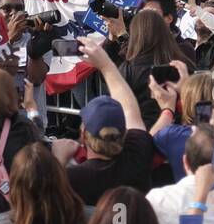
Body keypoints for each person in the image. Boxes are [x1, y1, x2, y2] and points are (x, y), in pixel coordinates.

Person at [54, 35, 154, 205]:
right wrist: (107, 66)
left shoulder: (73, 177)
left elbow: (43, 198)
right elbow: (130, 111)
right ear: (124, 134)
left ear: (84, 134)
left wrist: (58, 160)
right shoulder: (138, 155)